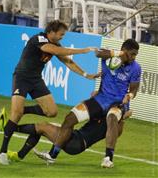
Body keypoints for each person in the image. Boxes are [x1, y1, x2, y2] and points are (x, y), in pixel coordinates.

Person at [0, 20, 100, 165]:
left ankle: (19, 112)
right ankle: (2, 152)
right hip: (21, 78)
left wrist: (86, 74)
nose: (61, 38)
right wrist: (83, 50)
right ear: (51, 31)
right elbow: (56, 51)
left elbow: (68, 62)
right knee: (16, 114)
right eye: (60, 35)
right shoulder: (38, 40)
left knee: (51, 111)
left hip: (36, 80)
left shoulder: (55, 44)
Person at [34, 39, 141, 168]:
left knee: (112, 118)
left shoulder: (135, 68)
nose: (134, 57)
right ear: (124, 51)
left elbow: (134, 89)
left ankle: (108, 158)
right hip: (100, 99)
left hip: (118, 102)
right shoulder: (110, 57)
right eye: (132, 54)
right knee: (70, 118)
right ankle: (52, 154)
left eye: (136, 54)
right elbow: (98, 53)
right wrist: (118, 54)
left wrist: (129, 95)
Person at [5, 109, 132, 164]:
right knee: (42, 129)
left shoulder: (113, 123)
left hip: (76, 142)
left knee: (42, 127)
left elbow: (117, 134)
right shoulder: (103, 112)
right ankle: (20, 155)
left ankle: (10, 128)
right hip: (75, 137)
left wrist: (122, 119)